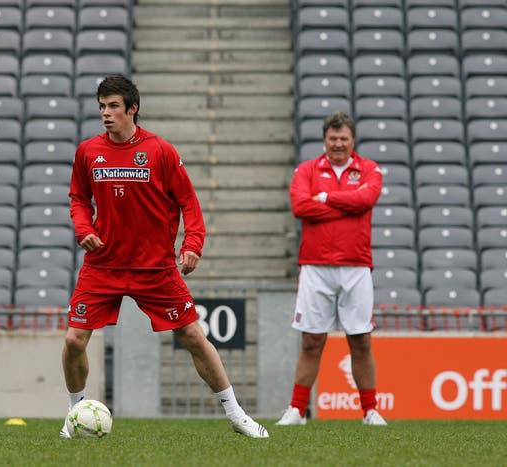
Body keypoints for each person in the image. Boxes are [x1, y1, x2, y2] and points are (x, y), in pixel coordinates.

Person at [60, 75, 268, 438]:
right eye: (102, 107)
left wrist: (193, 244)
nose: (106, 114)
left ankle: (236, 414)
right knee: (74, 341)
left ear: (132, 109)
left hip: (154, 268)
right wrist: (84, 229)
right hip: (103, 265)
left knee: (191, 334)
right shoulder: (88, 151)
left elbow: (189, 202)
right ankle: (76, 412)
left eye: (112, 107)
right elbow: (79, 198)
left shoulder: (160, 151)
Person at [276, 111, 387, 426]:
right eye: (333, 138)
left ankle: (370, 411)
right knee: (312, 339)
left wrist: (324, 199)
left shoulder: (369, 169)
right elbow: (300, 206)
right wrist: (346, 206)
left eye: (344, 139)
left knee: (361, 340)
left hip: (356, 265)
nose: (338, 144)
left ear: (353, 141)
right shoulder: (307, 170)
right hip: (316, 265)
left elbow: (367, 198)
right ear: (324, 140)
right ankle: (297, 410)